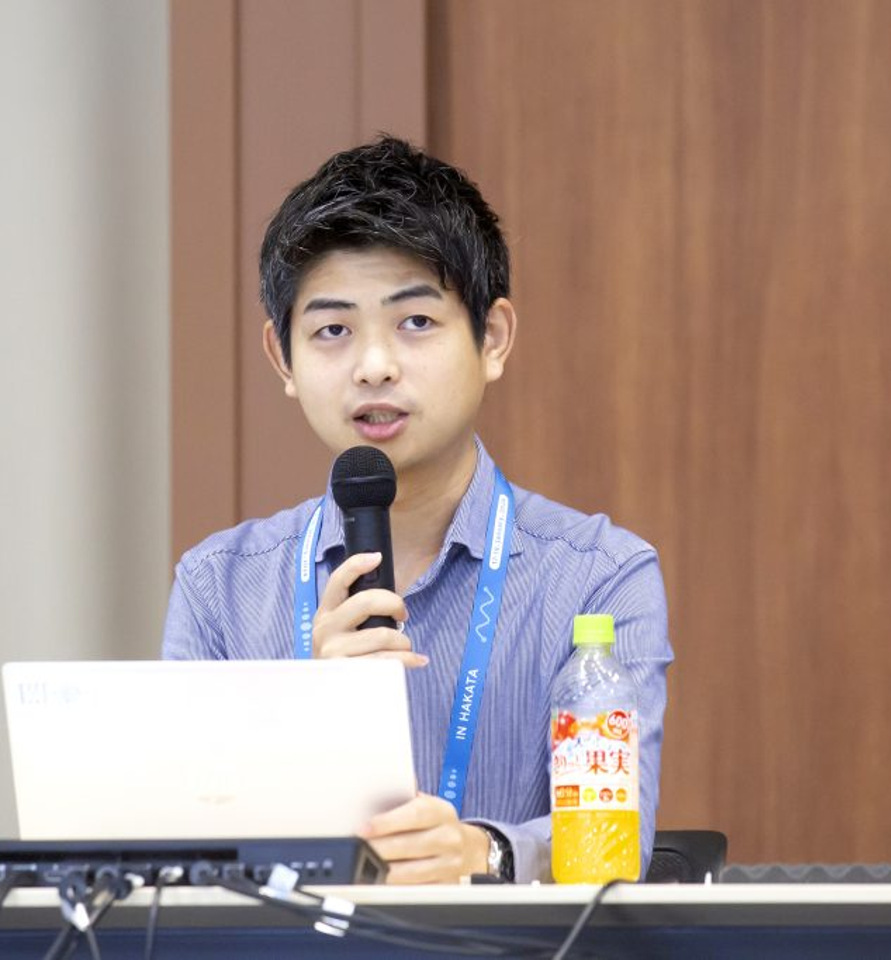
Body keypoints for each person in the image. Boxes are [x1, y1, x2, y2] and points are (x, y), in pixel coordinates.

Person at [162, 137, 673, 884]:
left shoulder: (601, 578)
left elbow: (616, 839)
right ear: (282, 358)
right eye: (333, 331)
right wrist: (298, 720)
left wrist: (484, 853)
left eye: (416, 322)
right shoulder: (218, 588)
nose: (375, 366)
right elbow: (177, 853)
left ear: (491, 338)